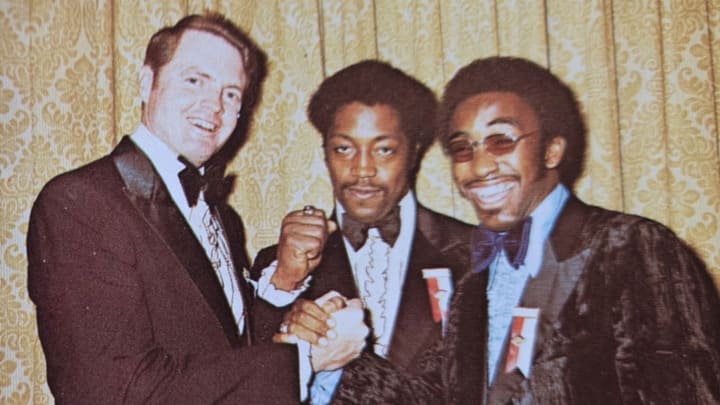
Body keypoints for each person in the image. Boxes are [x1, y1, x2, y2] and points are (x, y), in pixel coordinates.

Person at [324, 56, 720, 404]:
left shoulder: (632, 247)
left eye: (501, 141)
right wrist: (326, 357)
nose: (479, 168)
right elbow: (431, 398)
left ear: (551, 150)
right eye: (464, 148)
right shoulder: (472, 280)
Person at [26, 13, 367, 404]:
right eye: (194, 80)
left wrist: (284, 283)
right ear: (146, 81)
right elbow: (116, 392)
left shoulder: (222, 217)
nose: (214, 106)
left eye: (231, 93)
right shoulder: (80, 203)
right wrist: (306, 359)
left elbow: (222, 350)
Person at [250, 60, 474, 404]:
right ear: (325, 153)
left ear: (413, 152)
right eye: (344, 148)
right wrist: (284, 288)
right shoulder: (278, 271)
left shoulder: (476, 254)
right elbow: (246, 386)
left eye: (384, 149)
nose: (363, 169)